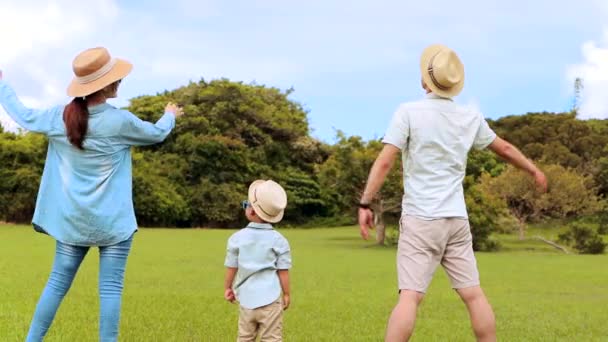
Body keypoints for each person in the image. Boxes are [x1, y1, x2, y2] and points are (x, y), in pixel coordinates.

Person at [357, 44, 548, 342]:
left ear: (425, 80)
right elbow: (506, 149)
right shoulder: (470, 117)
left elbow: (385, 161)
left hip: (421, 218)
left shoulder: (408, 112)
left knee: (409, 297)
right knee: (473, 294)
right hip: (456, 219)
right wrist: (533, 170)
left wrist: (365, 202)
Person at [0, 47, 183, 341]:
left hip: (72, 222)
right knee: (110, 289)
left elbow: (22, 114)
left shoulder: (58, 116)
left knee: (57, 283)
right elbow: (157, 133)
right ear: (108, 84)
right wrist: (170, 115)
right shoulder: (121, 121)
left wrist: (1, 84)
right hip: (114, 223)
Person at [224, 180, 292, 342]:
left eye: (246, 204)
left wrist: (228, 287)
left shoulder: (236, 238)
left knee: (245, 338)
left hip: (246, 301)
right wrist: (287, 294)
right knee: (272, 339)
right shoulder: (280, 240)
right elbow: (283, 271)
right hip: (271, 301)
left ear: (252, 212)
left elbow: (231, 267)